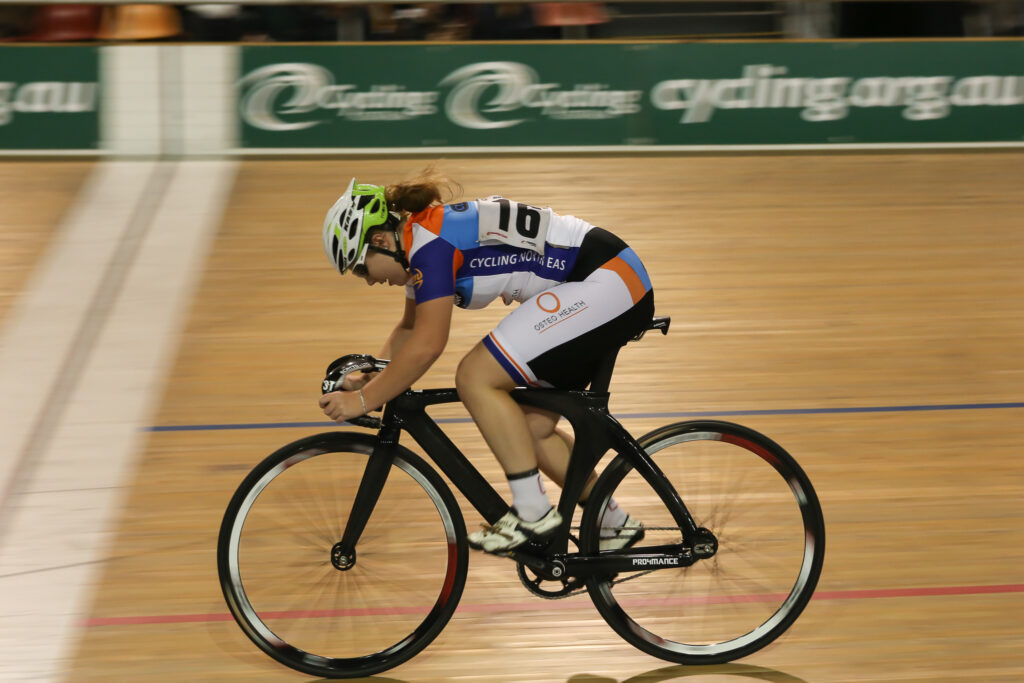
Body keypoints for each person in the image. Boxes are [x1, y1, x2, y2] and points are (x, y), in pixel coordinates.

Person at [318, 169, 651, 554]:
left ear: (379, 240)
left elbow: (428, 344)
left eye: (361, 267)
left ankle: (532, 512)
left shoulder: (429, 246)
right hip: (604, 283)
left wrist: (364, 401)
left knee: (475, 376)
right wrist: (373, 373)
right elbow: (410, 330)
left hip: (607, 281)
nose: (368, 280)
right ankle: (611, 522)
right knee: (525, 429)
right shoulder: (416, 243)